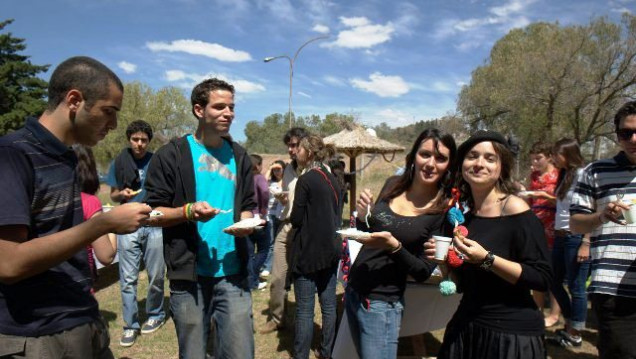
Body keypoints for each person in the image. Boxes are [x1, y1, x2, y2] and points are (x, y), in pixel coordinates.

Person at [0, 56, 151, 358]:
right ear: (74, 100)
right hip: (41, 336)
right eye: (109, 112)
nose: (114, 124)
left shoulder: (66, 156)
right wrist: (102, 225)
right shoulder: (13, 156)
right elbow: (9, 263)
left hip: (82, 318)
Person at [144, 78, 257, 359]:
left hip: (233, 273)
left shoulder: (240, 155)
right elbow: (152, 214)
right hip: (189, 276)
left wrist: (246, 223)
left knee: (241, 353)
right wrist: (188, 211)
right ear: (198, 110)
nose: (228, 113)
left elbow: (247, 204)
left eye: (231, 107)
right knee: (193, 353)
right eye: (219, 106)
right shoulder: (171, 155)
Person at [424, 130, 552, 359]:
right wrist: (444, 262)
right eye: (472, 156)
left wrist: (487, 259)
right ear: (462, 164)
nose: (479, 163)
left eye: (490, 158)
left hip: (510, 334)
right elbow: (462, 282)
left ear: (501, 166)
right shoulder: (464, 216)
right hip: (466, 325)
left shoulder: (515, 209)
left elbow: (541, 277)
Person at [347, 128, 456, 359]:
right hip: (355, 290)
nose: (431, 163)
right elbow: (368, 233)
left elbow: (422, 271)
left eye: (441, 158)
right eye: (425, 154)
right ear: (413, 156)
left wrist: (395, 247)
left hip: (382, 305)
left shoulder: (442, 210)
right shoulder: (392, 184)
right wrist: (363, 215)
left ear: (449, 164)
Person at [570, 101, 636, 359]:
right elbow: (575, 222)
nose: (633, 138)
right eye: (626, 133)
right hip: (612, 288)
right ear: (616, 134)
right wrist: (601, 215)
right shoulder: (595, 172)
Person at [106, 120, 166, 347]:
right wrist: (121, 192)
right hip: (127, 224)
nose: (139, 144)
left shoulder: (157, 161)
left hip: (153, 222)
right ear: (129, 139)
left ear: (148, 141)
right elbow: (112, 195)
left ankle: (156, 314)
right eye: (135, 139)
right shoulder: (119, 162)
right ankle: (130, 325)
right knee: (128, 279)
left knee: (157, 274)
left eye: (143, 140)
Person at [289, 134, 342, 359]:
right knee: (328, 306)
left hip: (308, 253)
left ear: (309, 153)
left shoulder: (307, 179)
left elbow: (296, 219)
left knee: (304, 310)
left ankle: (301, 355)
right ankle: (327, 352)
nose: (294, 152)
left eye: (298, 148)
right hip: (331, 251)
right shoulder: (334, 180)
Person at [259, 127, 310, 334]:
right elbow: (292, 196)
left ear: (306, 145)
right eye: (289, 145)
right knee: (278, 276)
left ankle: (303, 323)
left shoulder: (318, 169)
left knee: (304, 278)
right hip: (286, 224)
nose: (291, 149)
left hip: (307, 228)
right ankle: (277, 318)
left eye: (295, 145)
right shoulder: (288, 169)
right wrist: (283, 197)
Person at [546, 138, 590, 348]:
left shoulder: (584, 174)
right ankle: (571, 323)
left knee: (576, 286)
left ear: (568, 154)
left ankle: (574, 333)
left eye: (556, 154)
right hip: (561, 237)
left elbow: (593, 207)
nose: (553, 158)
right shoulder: (565, 175)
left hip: (576, 237)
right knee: (554, 281)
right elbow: (564, 205)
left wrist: (586, 243)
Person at [525, 141, 560, 326]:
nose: (536, 162)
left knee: (554, 275)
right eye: (533, 159)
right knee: (537, 271)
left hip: (555, 229)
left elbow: (565, 203)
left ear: (549, 156)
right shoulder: (533, 176)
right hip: (535, 228)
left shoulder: (559, 175)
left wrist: (548, 198)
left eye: (538, 158)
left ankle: (554, 315)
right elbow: (530, 201)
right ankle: (537, 311)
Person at [73, 144, 118, 289]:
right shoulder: (89, 202)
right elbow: (106, 256)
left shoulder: (45, 200)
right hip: (82, 287)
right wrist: (109, 223)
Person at [246, 154, 270, 291]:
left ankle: (250, 280)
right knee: (263, 250)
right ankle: (253, 277)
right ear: (257, 165)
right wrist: (263, 209)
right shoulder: (259, 178)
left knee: (249, 253)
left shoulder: (243, 179)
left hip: (246, 218)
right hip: (259, 219)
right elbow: (265, 192)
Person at [261, 159, 286, 277]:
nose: (276, 172)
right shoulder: (270, 181)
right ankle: (267, 266)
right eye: (274, 170)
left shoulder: (285, 181)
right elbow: (263, 181)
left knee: (279, 240)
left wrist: (283, 171)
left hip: (280, 214)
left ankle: (274, 264)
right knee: (270, 241)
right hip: (270, 213)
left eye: (279, 169)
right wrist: (270, 168)